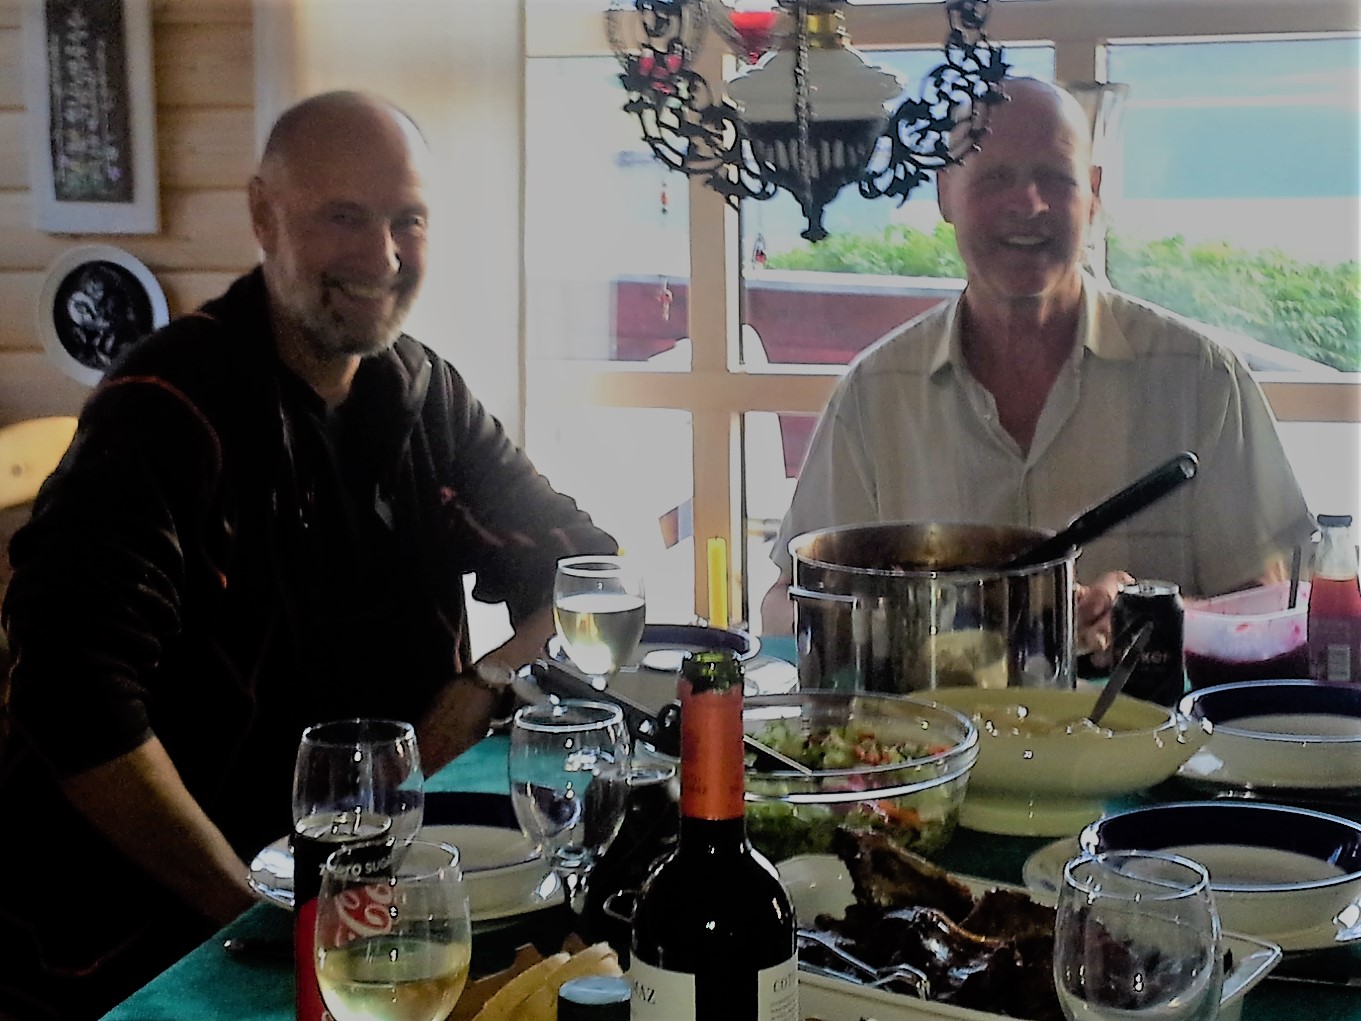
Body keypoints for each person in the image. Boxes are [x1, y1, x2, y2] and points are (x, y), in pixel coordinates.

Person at [0, 91, 615, 1021]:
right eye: (344, 217)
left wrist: (485, 679)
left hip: (368, 898)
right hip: (149, 934)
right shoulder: (165, 411)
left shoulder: (422, 391)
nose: (384, 256)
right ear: (263, 215)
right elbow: (69, 694)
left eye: (407, 220)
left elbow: (587, 571)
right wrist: (252, 921)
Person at [761, 76, 1313, 641]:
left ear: (1093, 195)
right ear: (945, 192)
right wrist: (909, 623)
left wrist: (1148, 615)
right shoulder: (876, 391)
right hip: (933, 702)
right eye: (995, 177)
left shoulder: (1202, 380)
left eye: (1054, 177)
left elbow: (1275, 609)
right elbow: (783, 604)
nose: (1028, 204)